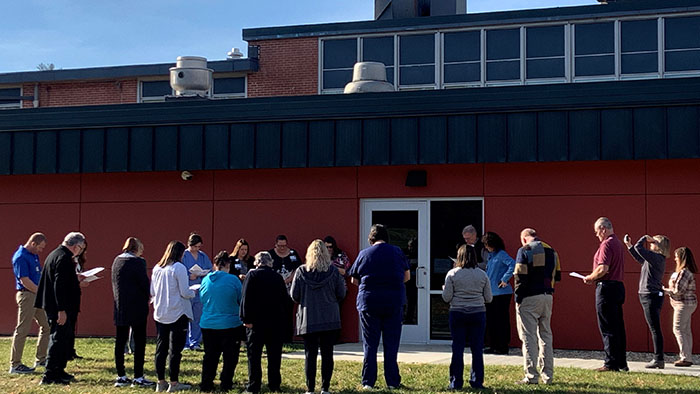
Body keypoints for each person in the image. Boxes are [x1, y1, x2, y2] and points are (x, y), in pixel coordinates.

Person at [347, 224, 410, 390]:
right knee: (391, 343)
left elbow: (354, 279)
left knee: (370, 343)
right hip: (393, 301)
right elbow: (407, 276)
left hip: (369, 302)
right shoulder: (397, 252)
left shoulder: (364, 254)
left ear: (371, 238)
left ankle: (368, 381)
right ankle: (392, 381)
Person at [291, 240, 346, 394]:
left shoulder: (301, 271)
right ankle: (325, 388)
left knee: (310, 354)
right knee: (328, 354)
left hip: (309, 318)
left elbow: (294, 295)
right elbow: (341, 293)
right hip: (330, 318)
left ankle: (310, 388)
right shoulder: (334, 271)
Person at [34, 232, 87, 385]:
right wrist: (61, 310)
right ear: (76, 246)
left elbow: (61, 279)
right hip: (59, 307)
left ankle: (59, 370)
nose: (81, 251)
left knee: (63, 339)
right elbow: (59, 285)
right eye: (81, 248)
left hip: (57, 305)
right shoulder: (64, 258)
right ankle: (50, 374)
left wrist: (75, 278)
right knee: (57, 339)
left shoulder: (55, 254)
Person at [513, 228, 561, 385]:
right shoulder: (552, 251)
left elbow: (520, 276)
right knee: (546, 336)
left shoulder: (524, 250)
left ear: (524, 238)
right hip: (547, 296)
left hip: (529, 297)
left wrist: (518, 298)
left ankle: (531, 376)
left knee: (529, 337)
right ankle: (548, 376)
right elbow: (557, 276)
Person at [442, 244, 492, 390]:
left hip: (457, 312)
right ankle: (477, 381)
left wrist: (445, 290)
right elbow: (488, 298)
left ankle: (455, 382)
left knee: (457, 348)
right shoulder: (482, 274)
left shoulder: (452, 274)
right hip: (478, 313)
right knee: (477, 349)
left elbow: (447, 298)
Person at [240, 251, 291, 394]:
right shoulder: (278, 277)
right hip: (275, 323)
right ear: (270, 263)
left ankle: (253, 385)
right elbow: (284, 301)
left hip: (256, 323)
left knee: (254, 356)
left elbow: (246, 298)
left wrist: (245, 319)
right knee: (274, 356)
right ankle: (274, 385)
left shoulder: (252, 275)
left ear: (257, 262)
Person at [583, 217, 628, 372]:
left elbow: (603, 268)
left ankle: (610, 363)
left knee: (607, 327)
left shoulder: (607, 244)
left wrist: (590, 277)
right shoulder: (618, 243)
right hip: (618, 286)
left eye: (597, 232)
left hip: (606, 287)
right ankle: (621, 362)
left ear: (603, 228)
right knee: (618, 326)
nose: (597, 235)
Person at [151, 240, 195, 392]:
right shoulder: (179, 268)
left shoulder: (157, 267)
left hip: (160, 312)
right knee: (175, 350)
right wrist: (193, 291)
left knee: (160, 348)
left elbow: (153, 291)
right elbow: (184, 291)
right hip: (177, 312)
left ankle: (160, 381)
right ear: (180, 253)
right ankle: (174, 382)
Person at [111, 237, 154, 387]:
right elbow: (144, 284)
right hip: (137, 307)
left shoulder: (117, 261)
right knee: (139, 341)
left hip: (120, 306)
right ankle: (138, 376)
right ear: (137, 249)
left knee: (120, 340)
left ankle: (121, 375)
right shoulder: (138, 262)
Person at [199, 251, 244, 392]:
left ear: (215, 264)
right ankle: (226, 383)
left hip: (208, 323)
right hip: (230, 324)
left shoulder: (205, 280)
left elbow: (202, 298)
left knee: (210, 356)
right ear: (227, 265)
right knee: (230, 358)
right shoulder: (233, 280)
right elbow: (241, 300)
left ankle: (206, 383)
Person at [624, 233, 669, 369]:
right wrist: (629, 246)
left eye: (653, 242)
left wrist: (644, 237)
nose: (650, 244)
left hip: (651, 295)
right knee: (654, 327)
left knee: (654, 328)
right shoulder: (654, 259)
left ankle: (658, 359)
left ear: (658, 246)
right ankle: (658, 358)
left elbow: (639, 248)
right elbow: (639, 257)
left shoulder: (657, 258)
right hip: (650, 295)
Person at [9, 233, 49, 374]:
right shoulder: (21, 257)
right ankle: (15, 364)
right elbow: (25, 281)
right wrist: (42, 294)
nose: (41, 251)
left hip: (36, 295)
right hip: (27, 295)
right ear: (33, 243)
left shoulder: (33, 255)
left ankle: (41, 359)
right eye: (40, 247)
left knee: (47, 325)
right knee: (23, 329)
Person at [482, 231, 515, 355]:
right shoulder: (491, 256)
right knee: (491, 320)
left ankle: (502, 346)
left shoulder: (501, 254)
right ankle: (492, 344)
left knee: (501, 320)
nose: (486, 247)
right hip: (491, 293)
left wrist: (505, 279)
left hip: (501, 293)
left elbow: (512, 264)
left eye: (487, 245)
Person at [663, 247, 697, 367]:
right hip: (688, 304)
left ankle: (685, 357)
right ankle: (688, 357)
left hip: (683, 304)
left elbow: (678, 291)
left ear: (682, 258)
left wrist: (665, 290)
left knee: (677, 329)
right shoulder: (687, 272)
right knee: (686, 330)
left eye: (677, 256)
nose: (675, 259)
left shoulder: (684, 272)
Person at [181, 232, 212, 351]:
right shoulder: (184, 255)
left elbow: (208, 269)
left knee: (197, 316)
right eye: (195, 247)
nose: (197, 249)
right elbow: (180, 269)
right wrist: (189, 275)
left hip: (199, 289)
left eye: (199, 247)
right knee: (186, 316)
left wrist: (202, 273)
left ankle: (195, 341)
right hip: (187, 289)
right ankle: (185, 343)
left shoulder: (202, 256)